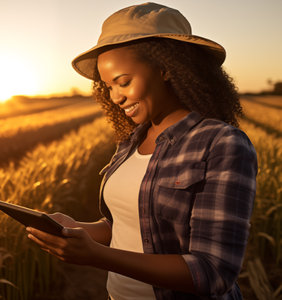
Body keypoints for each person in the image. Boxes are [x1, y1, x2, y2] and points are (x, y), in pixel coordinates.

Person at [26, 2, 257, 299]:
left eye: (123, 82)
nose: (116, 97)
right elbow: (125, 224)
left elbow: (213, 272)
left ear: (165, 68)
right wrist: (74, 228)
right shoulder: (131, 143)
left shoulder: (221, 144)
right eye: (107, 86)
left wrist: (96, 256)